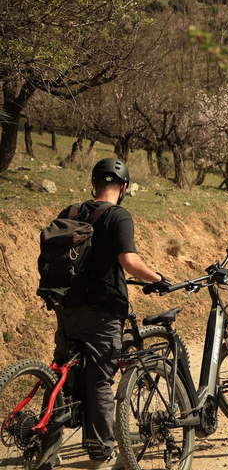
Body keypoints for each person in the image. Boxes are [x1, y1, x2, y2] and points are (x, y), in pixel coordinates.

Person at [52, 158, 171, 469]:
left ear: (93, 184)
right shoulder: (118, 216)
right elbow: (129, 261)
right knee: (99, 381)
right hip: (102, 311)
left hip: (66, 307)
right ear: (125, 187)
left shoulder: (71, 212)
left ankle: (46, 448)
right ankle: (101, 455)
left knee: (62, 375)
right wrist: (158, 278)